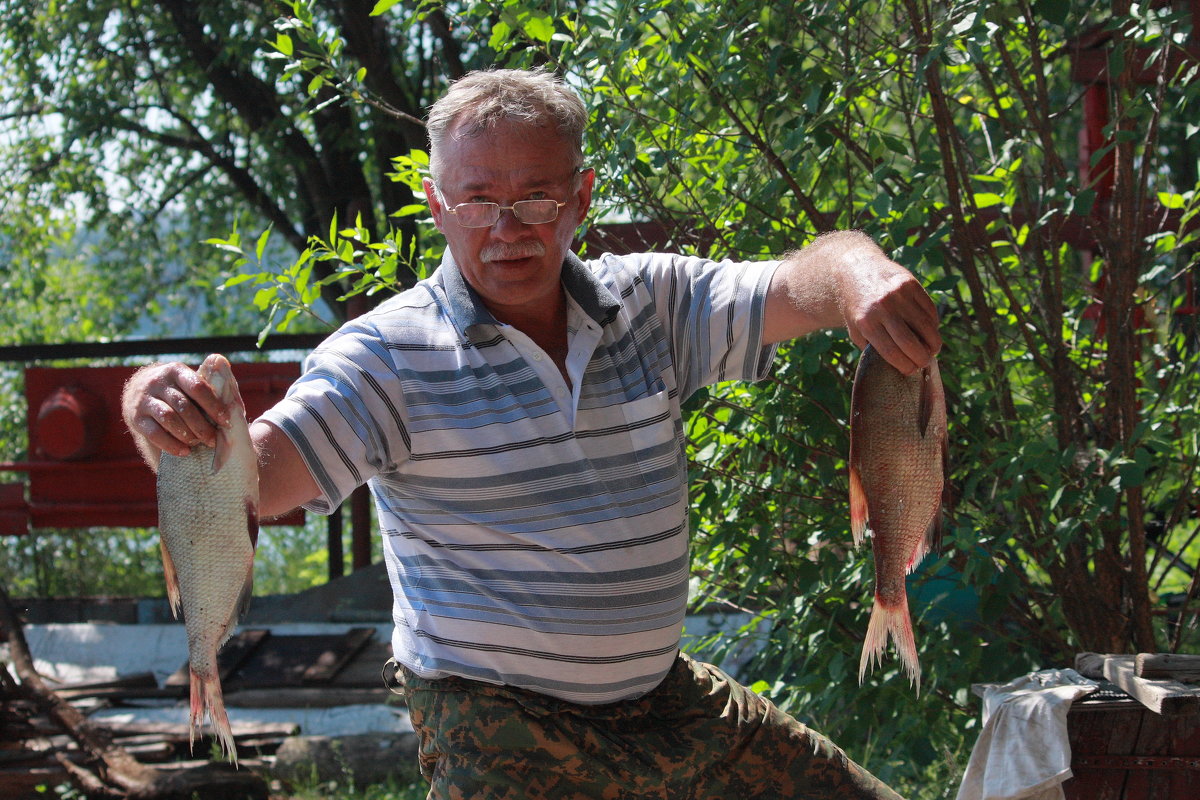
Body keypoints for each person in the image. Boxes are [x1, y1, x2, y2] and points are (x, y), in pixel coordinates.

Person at [123, 68, 940, 799]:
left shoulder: (653, 304)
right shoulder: (387, 358)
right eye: (477, 200)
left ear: (581, 198)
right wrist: (155, 406)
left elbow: (806, 278)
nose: (506, 228)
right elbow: (258, 479)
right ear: (438, 204)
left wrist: (861, 274)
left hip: (663, 703)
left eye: (536, 199)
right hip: (496, 732)